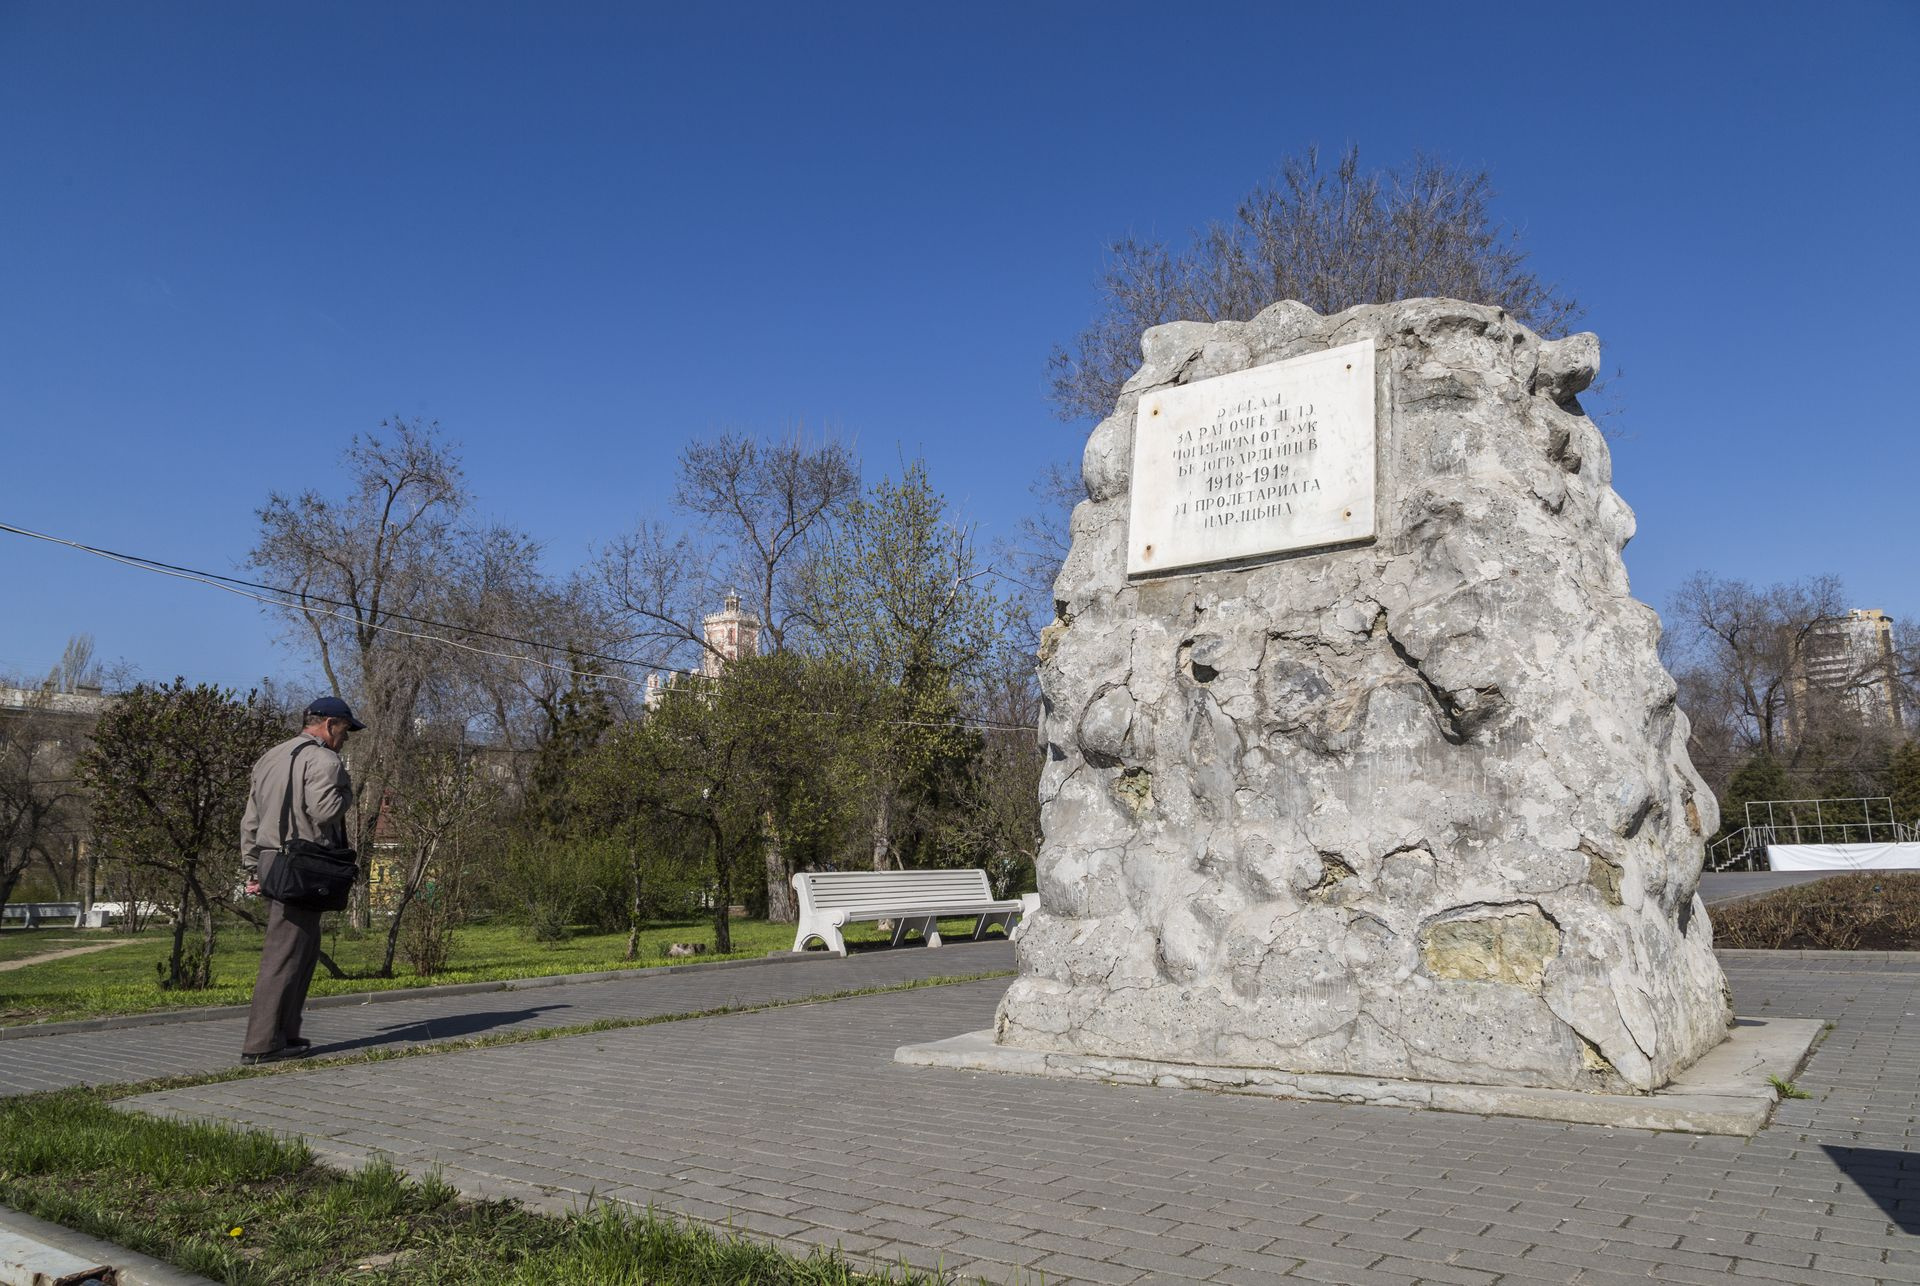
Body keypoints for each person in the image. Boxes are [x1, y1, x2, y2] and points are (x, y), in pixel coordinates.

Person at [238, 696, 363, 1064]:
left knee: (301, 951)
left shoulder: (270, 757)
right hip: (302, 864)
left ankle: (285, 1034)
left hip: (271, 859)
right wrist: (346, 789)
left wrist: (253, 866)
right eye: (345, 730)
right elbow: (325, 810)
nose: (345, 738)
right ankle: (262, 1044)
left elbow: (250, 819)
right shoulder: (324, 759)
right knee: (285, 955)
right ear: (329, 724)